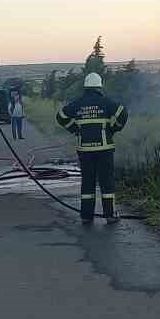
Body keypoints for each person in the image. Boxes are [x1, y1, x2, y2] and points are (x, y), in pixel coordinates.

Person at [56, 73, 128, 224]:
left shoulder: (78, 103)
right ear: (99, 86)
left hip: (85, 151)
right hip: (104, 149)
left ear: (86, 87)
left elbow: (60, 116)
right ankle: (110, 215)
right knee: (106, 181)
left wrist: (75, 129)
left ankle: (86, 216)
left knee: (87, 182)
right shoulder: (105, 102)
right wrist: (114, 129)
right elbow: (123, 113)